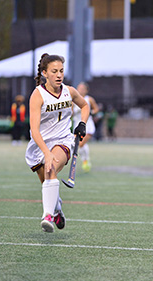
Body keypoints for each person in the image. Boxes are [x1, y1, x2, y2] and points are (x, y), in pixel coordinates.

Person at [25, 53, 89, 233]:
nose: (59, 75)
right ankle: (58, 210)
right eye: (54, 71)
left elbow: (84, 106)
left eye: (61, 70)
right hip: (39, 145)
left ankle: (47, 216)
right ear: (45, 73)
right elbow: (34, 130)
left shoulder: (69, 91)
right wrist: (45, 151)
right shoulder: (38, 95)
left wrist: (82, 123)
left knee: (50, 167)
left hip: (63, 141)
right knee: (47, 180)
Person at [73, 82, 99, 172]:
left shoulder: (89, 99)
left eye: (83, 89)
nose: (80, 90)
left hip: (88, 126)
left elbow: (96, 109)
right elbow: (71, 113)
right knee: (79, 145)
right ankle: (85, 160)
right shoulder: (73, 100)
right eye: (79, 88)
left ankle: (85, 160)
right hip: (77, 125)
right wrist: (76, 111)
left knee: (81, 144)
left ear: (86, 90)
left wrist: (90, 112)